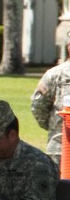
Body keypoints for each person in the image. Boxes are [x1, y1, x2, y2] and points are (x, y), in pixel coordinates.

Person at [30, 35, 70, 166]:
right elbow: (38, 106)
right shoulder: (55, 75)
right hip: (60, 149)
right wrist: (54, 127)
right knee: (59, 186)